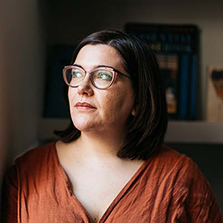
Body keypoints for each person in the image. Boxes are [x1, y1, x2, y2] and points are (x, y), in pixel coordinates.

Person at [1, 29, 223, 223]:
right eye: (77, 73)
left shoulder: (179, 177)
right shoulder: (26, 172)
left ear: (138, 99)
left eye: (104, 75)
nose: (83, 87)